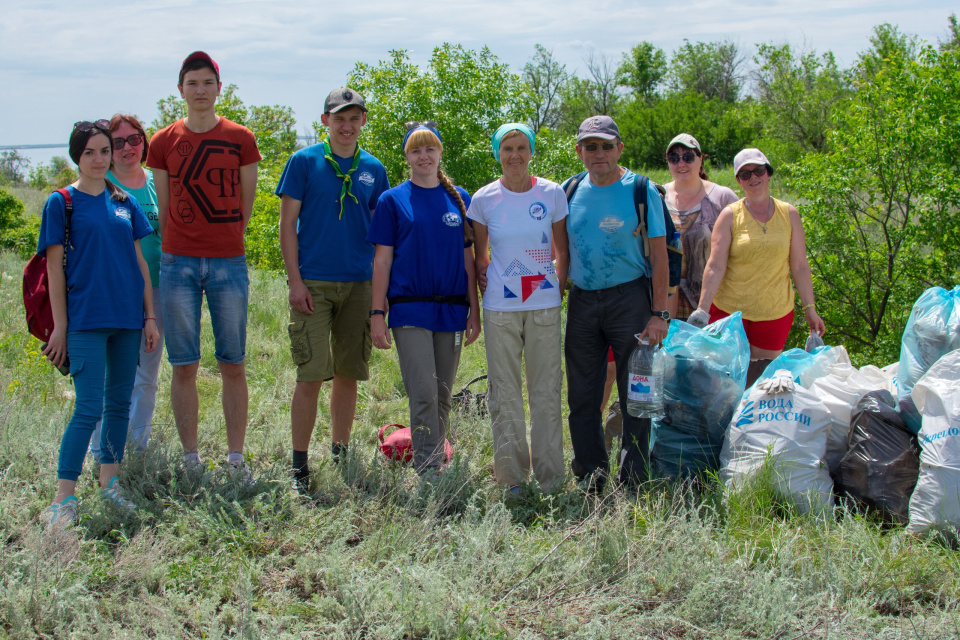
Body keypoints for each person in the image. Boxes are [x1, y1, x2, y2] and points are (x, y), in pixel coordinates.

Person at [146, 51, 261, 476]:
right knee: (184, 365)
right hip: (178, 263)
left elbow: (246, 202)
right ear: (181, 89)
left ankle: (235, 458)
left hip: (229, 261)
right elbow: (165, 202)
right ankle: (190, 457)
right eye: (192, 83)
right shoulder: (161, 142)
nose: (200, 91)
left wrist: (227, 237)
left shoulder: (240, 138)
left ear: (218, 88)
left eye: (207, 83)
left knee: (233, 362)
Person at [39, 120, 159, 527]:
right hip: (86, 320)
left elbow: (139, 262)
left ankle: (111, 484)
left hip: (127, 319)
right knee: (88, 408)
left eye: (104, 151)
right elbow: (54, 269)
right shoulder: (62, 202)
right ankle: (63, 498)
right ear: (78, 155)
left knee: (118, 405)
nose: (98, 158)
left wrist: (149, 317)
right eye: (89, 152)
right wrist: (59, 327)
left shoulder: (124, 201)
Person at [276, 88, 390, 492]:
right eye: (339, 118)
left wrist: (382, 295)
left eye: (355, 118)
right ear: (325, 121)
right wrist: (295, 281)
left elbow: (383, 238)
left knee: (348, 372)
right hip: (314, 284)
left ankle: (341, 451)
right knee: (310, 374)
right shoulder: (304, 163)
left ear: (362, 122)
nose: (347, 125)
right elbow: (287, 224)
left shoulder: (373, 169)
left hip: (359, 284)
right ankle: (299, 466)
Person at [563, 115, 670, 492]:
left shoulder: (641, 190)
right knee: (582, 394)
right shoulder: (570, 189)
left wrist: (659, 315)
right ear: (579, 151)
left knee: (636, 396)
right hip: (582, 302)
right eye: (590, 146)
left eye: (606, 145)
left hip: (631, 300)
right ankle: (592, 474)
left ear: (620, 148)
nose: (599, 153)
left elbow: (660, 256)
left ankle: (633, 481)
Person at [368, 122, 481, 475]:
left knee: (444, 394)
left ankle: (437, 458)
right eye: (416, 150)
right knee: (424, 393)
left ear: (440, 152)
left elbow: (469, 260)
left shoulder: (460, 198)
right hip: (409, 308)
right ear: (407, 156)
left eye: (430, 148)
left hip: (451, 309)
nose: (424, 156)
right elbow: (382, 260)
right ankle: (428, 472)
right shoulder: (392, 200)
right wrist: (376, 312)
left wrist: (474, 311)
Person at [468, 123, 568, 492]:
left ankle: (551, 478)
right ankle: (511, 479)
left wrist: (558, 287)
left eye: (522, 147)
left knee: (546, 391)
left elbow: (562, 251)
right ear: (497, 152)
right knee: (504, 392)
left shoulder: (552, 193)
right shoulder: (483, 200)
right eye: (507, 147)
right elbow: (481, 259)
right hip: (500, 308)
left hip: (544, 305)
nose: (515, 155)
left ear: (531, 151)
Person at [689, 148, 826, 385]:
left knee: (761, 382)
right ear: (738, 181)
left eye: (758, 170)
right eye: (745, 174)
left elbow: (800, 266)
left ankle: (754, 423)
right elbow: (715, 266)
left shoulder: (789, 214)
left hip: (774, 313)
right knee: (724, 382)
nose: (753, 177)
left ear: (768, 173)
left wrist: (810, 308)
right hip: (730, 312)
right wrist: (702, 309)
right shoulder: (730, 215)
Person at [90, 114, 163, 460]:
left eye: (134, 139)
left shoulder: (157, 182)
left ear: (144, 141)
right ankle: (101, 449)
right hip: (112, 293)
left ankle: (137, 447)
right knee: (109, 376)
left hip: (159, 290)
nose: (127, 148)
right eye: (117, 142)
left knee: (147, 375)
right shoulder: (98, 184)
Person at [662, 134, 738, 322]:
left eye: (688, 157)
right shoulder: (658, 196)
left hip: (714, 303)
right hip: (666, 301)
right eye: (674, 158)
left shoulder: (723, 198)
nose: (681, 164)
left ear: (700, 159)